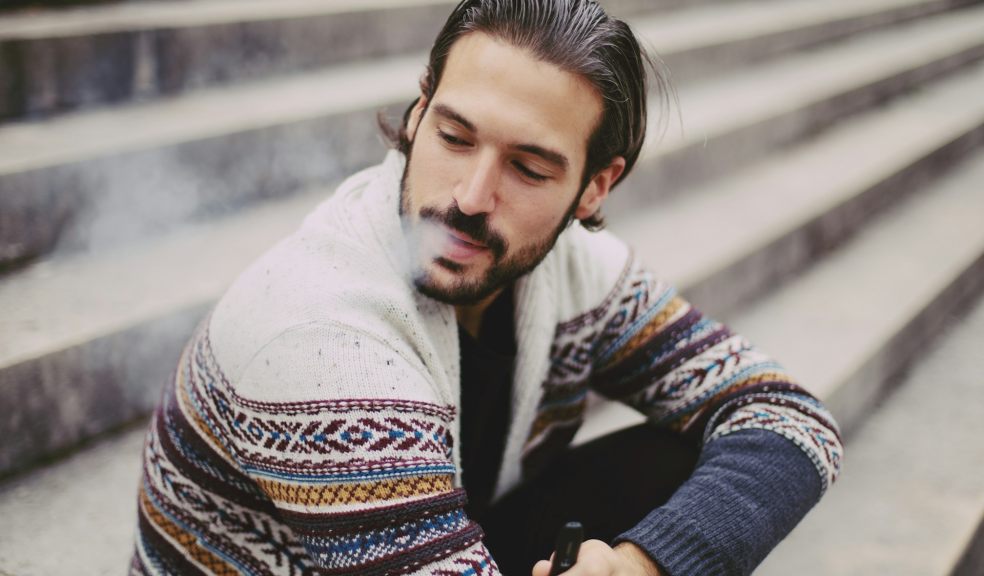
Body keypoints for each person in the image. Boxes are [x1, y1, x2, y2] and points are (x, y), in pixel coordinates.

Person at [130, 1, 843, 575]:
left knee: (689, 467)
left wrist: (647, 564)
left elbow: (790, 418)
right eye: (455, 137)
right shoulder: (319, 341)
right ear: (419, 112)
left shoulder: (577, 273)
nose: (470, 198)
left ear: (595, 187)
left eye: (529, 169)